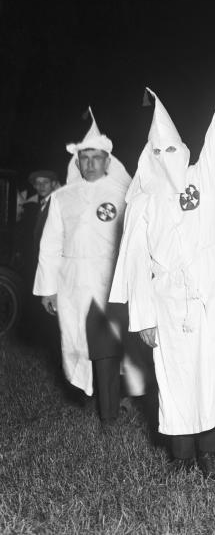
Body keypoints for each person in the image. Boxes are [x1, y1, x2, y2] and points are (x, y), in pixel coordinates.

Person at [109, 55, 215, 478]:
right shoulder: (142, 203)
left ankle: (208, 454)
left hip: (207, 298)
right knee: (174, 378)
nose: (169, 157)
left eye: (174, 149)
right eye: (161, 152)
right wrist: (143, 318)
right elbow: (137, 264)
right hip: (169, 302)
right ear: (150, 156)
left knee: (207, 373)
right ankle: (180, 456)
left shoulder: (202, 179)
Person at [33, 112, 147, 427]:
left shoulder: (124, 193)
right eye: (85, 158)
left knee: (108, 348)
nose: (91, 164)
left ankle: (109, 413)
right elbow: (50, 244)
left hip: (110, 282)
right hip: (72, 283)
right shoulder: (62, 198)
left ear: (108, 161)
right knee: (79, 344)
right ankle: (107, 398)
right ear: (78, 162)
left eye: (97, 158)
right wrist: (48, 289)